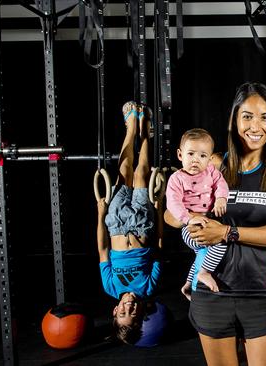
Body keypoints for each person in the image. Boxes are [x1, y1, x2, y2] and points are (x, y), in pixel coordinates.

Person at [164, 82, 266, 366]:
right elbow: (170, 214)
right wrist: (186, 218)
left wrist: (227, 232)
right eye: (247, 116)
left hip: (261, 293)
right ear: (235, 119)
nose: (256, 126)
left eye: (264, 117)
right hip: (213, 294)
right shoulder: (214, 164)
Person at [97, 101, 163, 344]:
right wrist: (158, 208)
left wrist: (100, 213)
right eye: (133, 315)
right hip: (142, 224)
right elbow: (158, 247)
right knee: (140, 173)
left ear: (115, 311)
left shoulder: (110, 287)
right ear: (142, 313)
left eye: (123, 313)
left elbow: (103, 250)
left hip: (115, 223)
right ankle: (145, 133)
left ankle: (131, 127)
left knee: (124, 169)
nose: (129, 309)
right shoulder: (148, 288)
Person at [166, 128, 229, 296]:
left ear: (209, 158)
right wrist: (188, 218)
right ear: (180, 155)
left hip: (207, 222)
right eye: (191, 154)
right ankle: (204, 273)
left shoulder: (211, 172)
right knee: (219, 243)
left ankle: (189, 282)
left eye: (202, 156)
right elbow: (173, 203)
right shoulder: (177, 179)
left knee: (202, 253)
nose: (195, 160)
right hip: (189, 228)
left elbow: (221, 184)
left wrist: (221, 198)